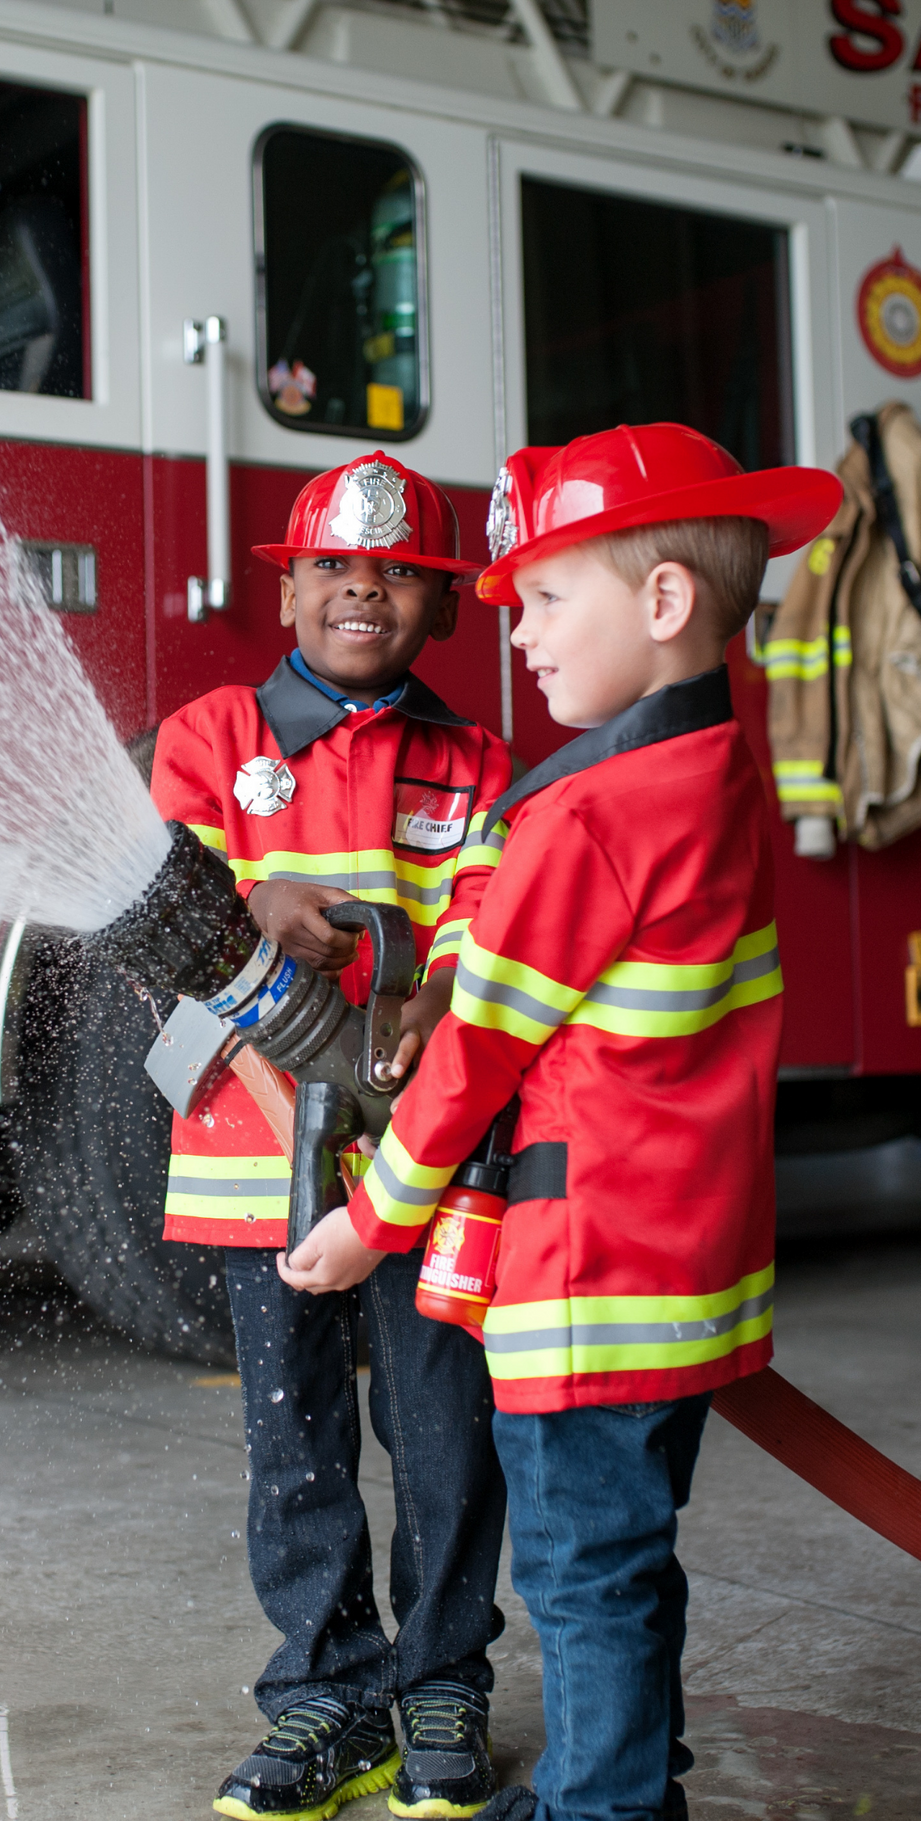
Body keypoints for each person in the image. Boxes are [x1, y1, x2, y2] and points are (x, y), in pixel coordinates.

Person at [277, 425, 843, 1821]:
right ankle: (620, 1771)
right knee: (631, 1555)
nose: (515, 635)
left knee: (584, 1573)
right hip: (691, 1266)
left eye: (540, 601)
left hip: (587, 1281)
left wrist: (369, 1223)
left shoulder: (589, 814)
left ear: (659, 605)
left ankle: (603, 1806)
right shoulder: (713, 779)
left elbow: (472, 1064)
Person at [150, 450, 514, 1821]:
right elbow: (154, 917)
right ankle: (324, 1693)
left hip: (425, 1172)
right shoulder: (210, 739)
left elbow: (491, 926)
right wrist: (257, 894)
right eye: (335, 569)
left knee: (441, 1434)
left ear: (443, 607)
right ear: (288, 588)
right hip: (254, 1165)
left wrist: (432, 981)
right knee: (292, 1441)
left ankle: (438, 1682)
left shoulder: (477, 765)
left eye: (401, 575)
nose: (364, 589)